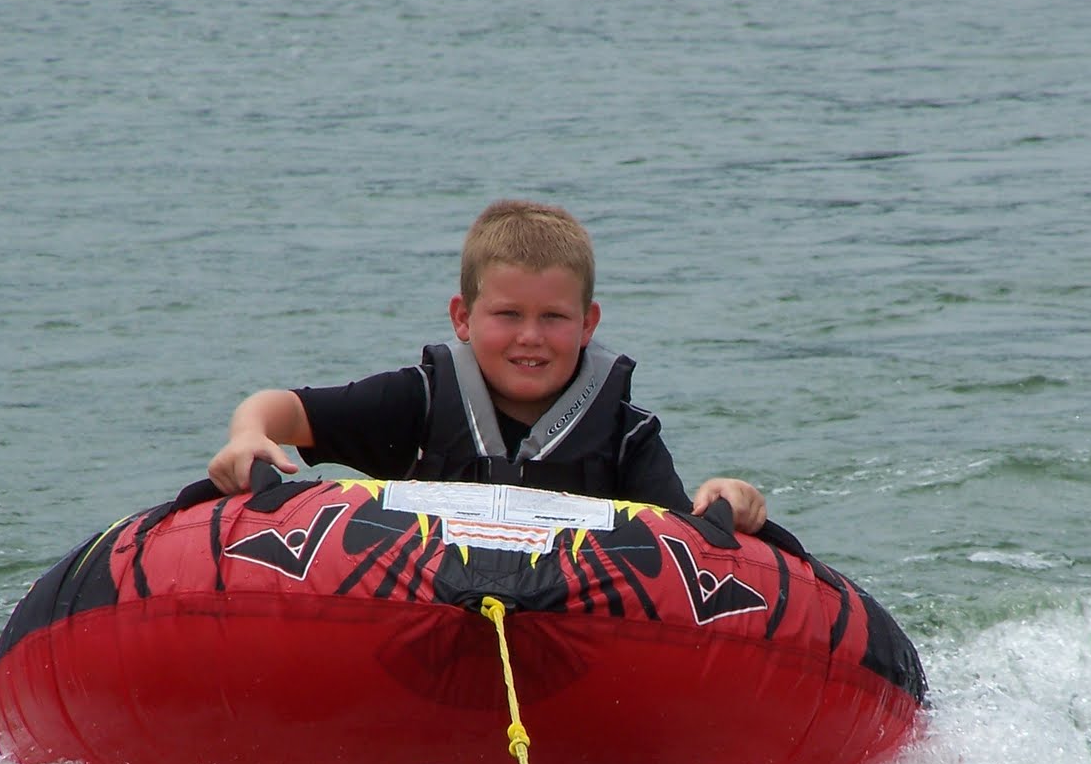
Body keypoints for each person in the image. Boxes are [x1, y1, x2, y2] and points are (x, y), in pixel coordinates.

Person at [208, 200, 767, 532]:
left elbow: (686, 539)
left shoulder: (626, 435)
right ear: (463, 317)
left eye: (553, 316)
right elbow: (284, 408)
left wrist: (723, 495)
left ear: (588, 324)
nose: (531, 337)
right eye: (508, 314)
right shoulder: (416, 403)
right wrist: (248, 434)